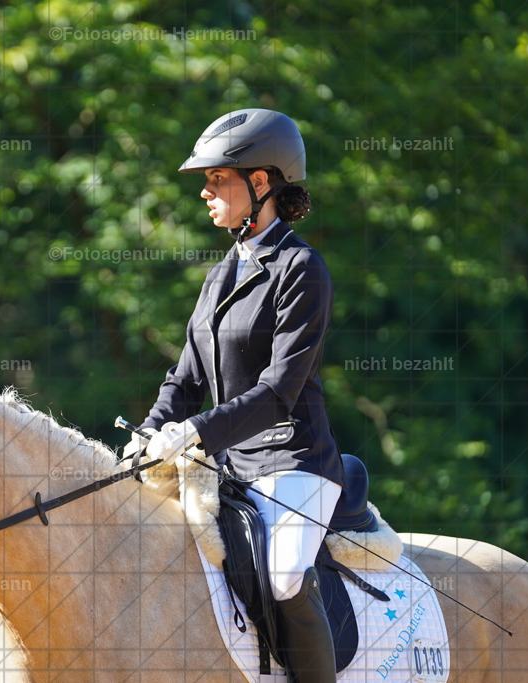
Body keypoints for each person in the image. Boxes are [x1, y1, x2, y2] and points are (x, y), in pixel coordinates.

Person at [125, 108, 344, 682]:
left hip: (294, 461)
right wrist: (149, 433)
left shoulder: (302, 269)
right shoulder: (221, 273)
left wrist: (197, 431)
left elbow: (279, 391)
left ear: (262, 182)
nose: (204, 190)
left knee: (284, 576)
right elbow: (185, 378)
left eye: (217, 178)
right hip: (230, 466)